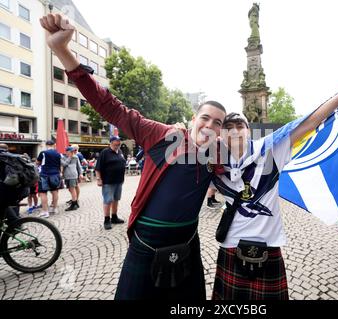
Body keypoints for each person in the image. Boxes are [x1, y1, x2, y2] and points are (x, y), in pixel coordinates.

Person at [40, 13, 227, 301]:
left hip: (188, 241)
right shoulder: (162, 135)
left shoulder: (217, 155)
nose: (211, 126)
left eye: (218, 123)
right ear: (193, 119)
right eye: (206, 118)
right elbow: (111, 107)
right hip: (146, 241)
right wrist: (62, 51)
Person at [212, 68, 338, 300]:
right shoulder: (213, 160)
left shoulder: (271, 150)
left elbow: (312, 121)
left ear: (249, 131)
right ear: (221, 135)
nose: (234, 131)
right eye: (228, 127)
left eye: (240, 126)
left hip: (268, 246)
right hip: (230, 245)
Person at [95, 136, 127, 230]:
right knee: (108, 200)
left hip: (119, 180)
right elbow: (98, 167)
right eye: (116, 141)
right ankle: (106, 220)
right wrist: (98, 179)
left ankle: (114, 217)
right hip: (108, 181)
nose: (118, 143)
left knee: (116, 199)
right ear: (111, 142)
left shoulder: (120, 152)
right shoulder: (105, 152)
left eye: (119, 141)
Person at [36, 140, 62, 218]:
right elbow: (60, 164)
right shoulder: (58, 154)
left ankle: (45, 211)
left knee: (43, 193)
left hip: (44, 174)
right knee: (55, 191)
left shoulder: (43, 153)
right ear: (54, 145)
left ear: (46, 145)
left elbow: (38, 162)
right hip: (55, 174)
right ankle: (54, 208)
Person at [62, 146, 82, 211]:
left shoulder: (75, 157)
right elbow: (64, 164)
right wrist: (69, 157)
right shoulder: (63, 157)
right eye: (71, 151)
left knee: (72, 189)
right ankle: (75, 203)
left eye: (73, 151)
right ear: (67, 152)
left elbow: (78, 166)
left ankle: (74, 204)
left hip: (73, 176)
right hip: (67, 176)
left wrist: (80, 174)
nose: (73, 152)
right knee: (70, 189)